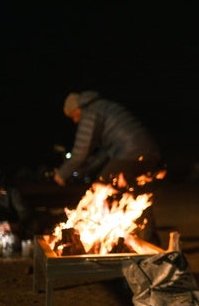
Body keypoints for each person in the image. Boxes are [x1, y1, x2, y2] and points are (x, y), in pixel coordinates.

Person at [53, 90, 166, 245]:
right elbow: (105, 155)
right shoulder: (103, 107)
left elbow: (81, 150)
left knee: (101, 188)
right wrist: (83, 170)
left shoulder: (90, 112)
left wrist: (62, 173)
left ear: (76, 110)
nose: (74, 121)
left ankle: (95, 238)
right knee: (136, 198)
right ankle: (151, 243)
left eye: (73, 116)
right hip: (148, 152)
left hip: (131, 153)